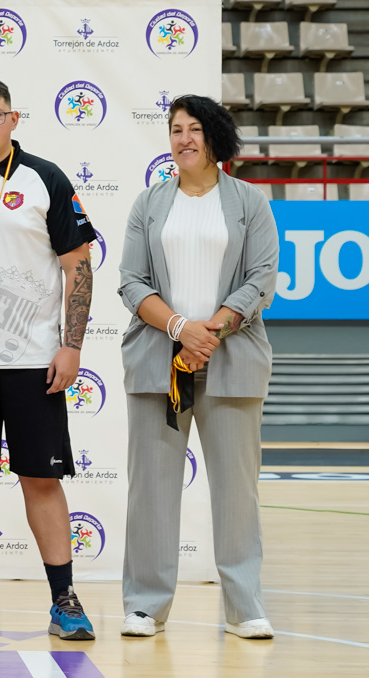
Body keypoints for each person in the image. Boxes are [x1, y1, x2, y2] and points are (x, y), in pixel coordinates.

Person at [0, 77, 98, 640]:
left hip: (34, 360)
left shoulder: (44, 178)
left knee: (41, 480)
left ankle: (65, 600)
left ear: (14, 119)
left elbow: (78, 265)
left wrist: (72, 345)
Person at [118, 95, 278, 639]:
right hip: (157, 362)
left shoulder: (250, 202)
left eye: (194, 129)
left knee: (237, 492)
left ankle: (244, 606)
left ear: (216, 137)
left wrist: (208, 334)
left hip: (231, 361)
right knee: (151, 491)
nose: (183, 139)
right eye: (175, 129)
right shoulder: (149, 204)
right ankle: (144, 605)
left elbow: (260, 280)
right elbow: (132, 282)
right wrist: (180, 330)